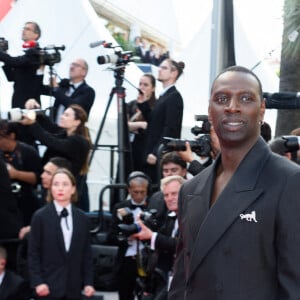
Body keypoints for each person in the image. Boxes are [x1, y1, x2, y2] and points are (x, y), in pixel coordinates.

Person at [168, 65, 300, 300]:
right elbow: (181, 281)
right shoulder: (190, 189)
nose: (232, 107)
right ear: (210, 112)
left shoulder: (290, 182)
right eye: (222, 99)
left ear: (261, 111)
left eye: (246, 98)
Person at [28, 168, 95, 299]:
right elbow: (33, 252)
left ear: (73, 189)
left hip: (74, 287)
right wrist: (38, 282)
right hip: (47, 287)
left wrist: (88, 283)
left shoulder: (82, 218)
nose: (60, 189)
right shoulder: (40, 217)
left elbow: (87, 253)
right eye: (56, 184)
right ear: (50, 188)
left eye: (65, 184)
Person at [20, 104, 92, 211]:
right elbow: (51, 130)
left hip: (66, 190)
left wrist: (33, 124)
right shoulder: (64, 134)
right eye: (63, 114)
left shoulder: (79, 141)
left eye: (67, 115)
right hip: (55, 187)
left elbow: (53, 142)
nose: (62, 117)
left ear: (77, 122)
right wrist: (38, 114)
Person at [134, 175, 185, 300]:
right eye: (166, 195)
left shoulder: (193, 216)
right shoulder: (170, 218)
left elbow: (181, 244)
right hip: (167, 279)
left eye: (174, 194)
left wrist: (152, 236)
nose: (170, 198)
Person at [138, 58, 184, 184]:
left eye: (164, 68)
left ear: (173, 73)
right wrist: (143, 105)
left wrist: (156, 152)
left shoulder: (174, 97)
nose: (159, 70)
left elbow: (170, 128)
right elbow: (154, 123)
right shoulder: (164, 96)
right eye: (160, 67)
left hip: (160, 156)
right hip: (153, 153)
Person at [107, 171, 153, 300]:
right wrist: (127, 237)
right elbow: (110, 236)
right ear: (129, 190)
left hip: (147, 260)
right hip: (126, 260)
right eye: (135, 192)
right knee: (125, 295)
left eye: (142, 192)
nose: (139, 195)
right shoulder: (119, 207)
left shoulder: (154, 205)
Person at [26, 58, 95, 124]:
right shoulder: (64, 85)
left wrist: (56, 88)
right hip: (55, 130)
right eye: (71, 64)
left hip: (73, 133)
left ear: (84, 72)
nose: (71, 67)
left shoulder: (88, 91)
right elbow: (39, 89)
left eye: (76, 65)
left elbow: (73, 105)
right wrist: (41, 70)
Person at [0, 120, 42, 226]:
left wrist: (16, 174)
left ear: (11, 136)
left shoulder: (28, 152)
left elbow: (38, 178)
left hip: (26, 203)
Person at [0, 21, 43, 108]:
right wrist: (4, 53)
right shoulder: (28, 54)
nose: (24, 31)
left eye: (27, 29)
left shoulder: (36, 53)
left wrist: (2, 54)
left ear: (36, 35)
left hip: (29, 103)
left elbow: (14, 61)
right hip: (18, 101)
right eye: (23, 28)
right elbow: (11, 77)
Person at [127, 73, 156, 172]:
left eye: (146, 85)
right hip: (130, 148)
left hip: (146, 149)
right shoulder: (131, 104)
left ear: (153, 88)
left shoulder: (156, 105)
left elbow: (153, 126)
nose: (141, 87)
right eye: (140, 84)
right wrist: (140, 124)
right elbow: (124, 125)